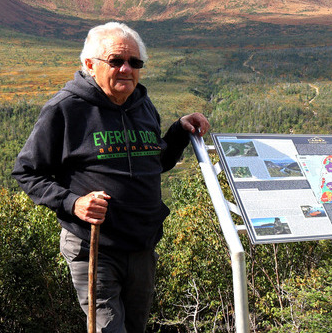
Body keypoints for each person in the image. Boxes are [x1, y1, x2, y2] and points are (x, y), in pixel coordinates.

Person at [12, 22, 210, 333]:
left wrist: (179, 130)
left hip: (142, 246)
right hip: (95, 246)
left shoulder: (143, 106)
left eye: (135, 62)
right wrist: (74, 203)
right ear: (90, 64)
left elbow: (154, 161)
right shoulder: (66, 108)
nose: (126, 69)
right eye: (116, 61)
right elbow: (26, 172)